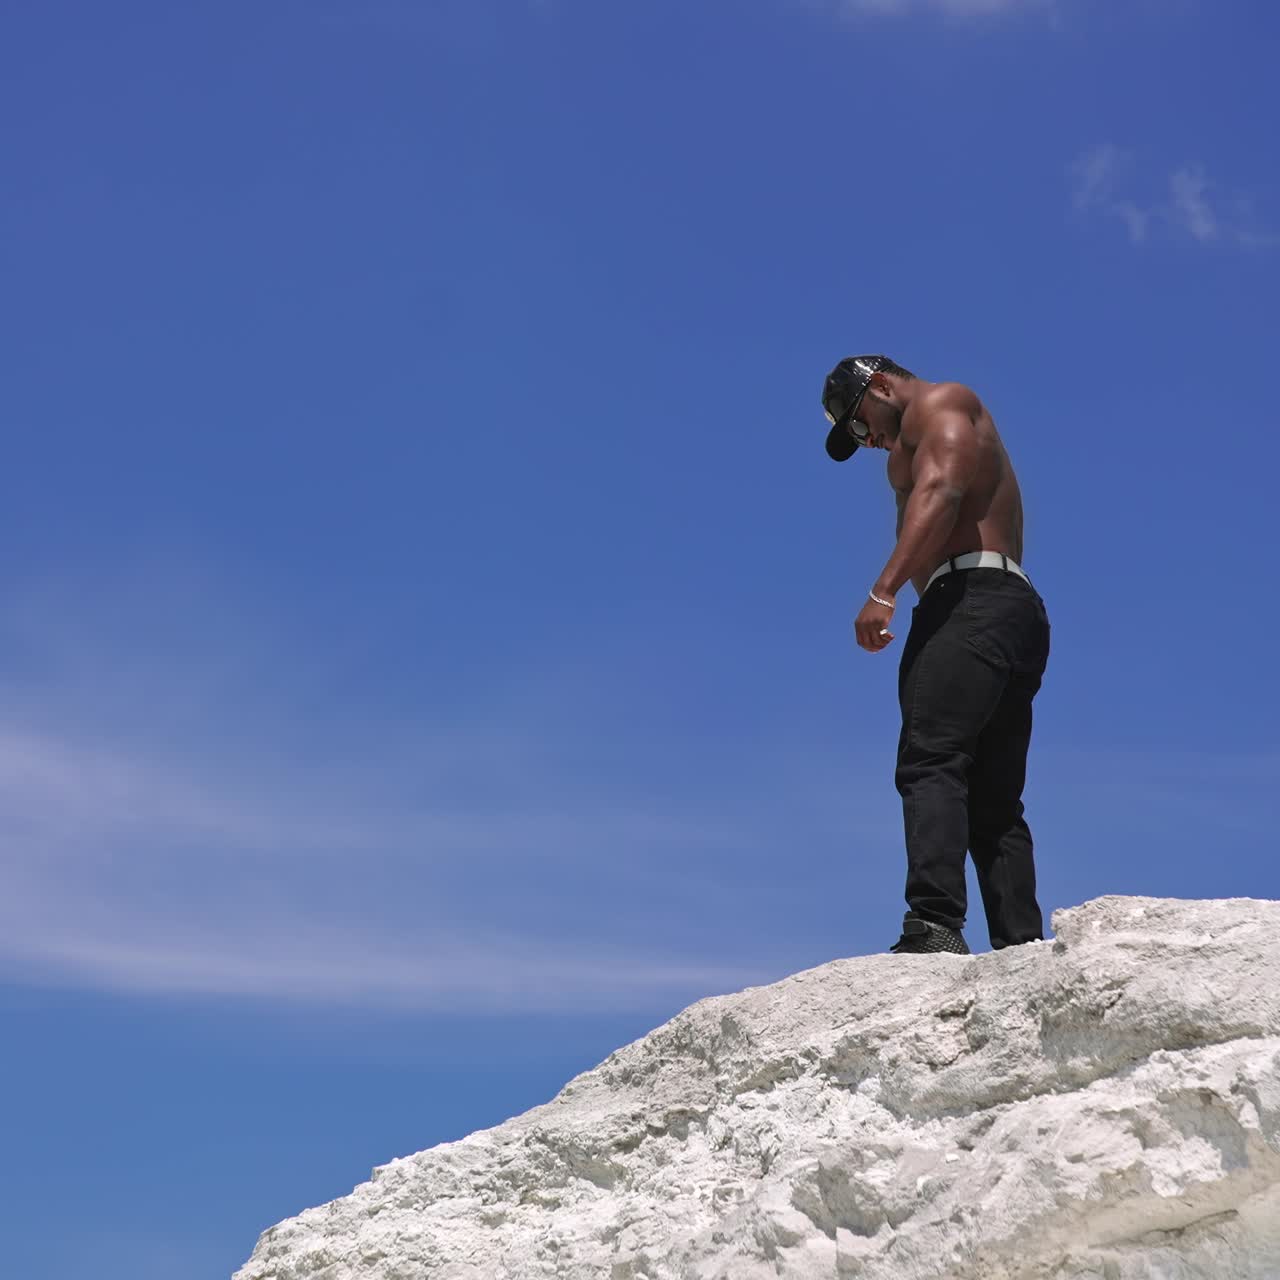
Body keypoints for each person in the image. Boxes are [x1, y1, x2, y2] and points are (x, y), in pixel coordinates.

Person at [820, 355, 1051, 955]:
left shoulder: (943, 404)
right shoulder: (911, 437)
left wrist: (883, 590)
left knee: (930, 760)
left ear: (881, 384)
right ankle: (1022, 949)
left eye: (860, 421)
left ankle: (933, 925)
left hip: (971, 602)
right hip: (1007, 609)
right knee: (994, 798)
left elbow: (944, 490)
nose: (866, 439)